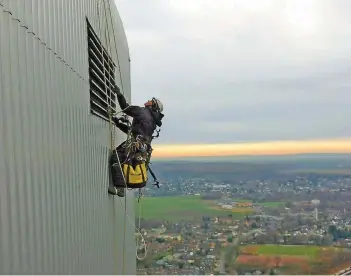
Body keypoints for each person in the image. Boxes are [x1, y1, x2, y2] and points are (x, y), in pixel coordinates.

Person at [108, 85, 164, 197]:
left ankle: (120, 188)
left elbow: (125, 107)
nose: (148, 101)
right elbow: (133, 131)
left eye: (150, 101)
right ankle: (120, 186)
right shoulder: (152, 120)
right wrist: (118, 123)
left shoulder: (142, 112)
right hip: (142, 147)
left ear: (153, 105)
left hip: (136, 145)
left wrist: (119, 94)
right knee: (127, 162)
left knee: (117, 157)